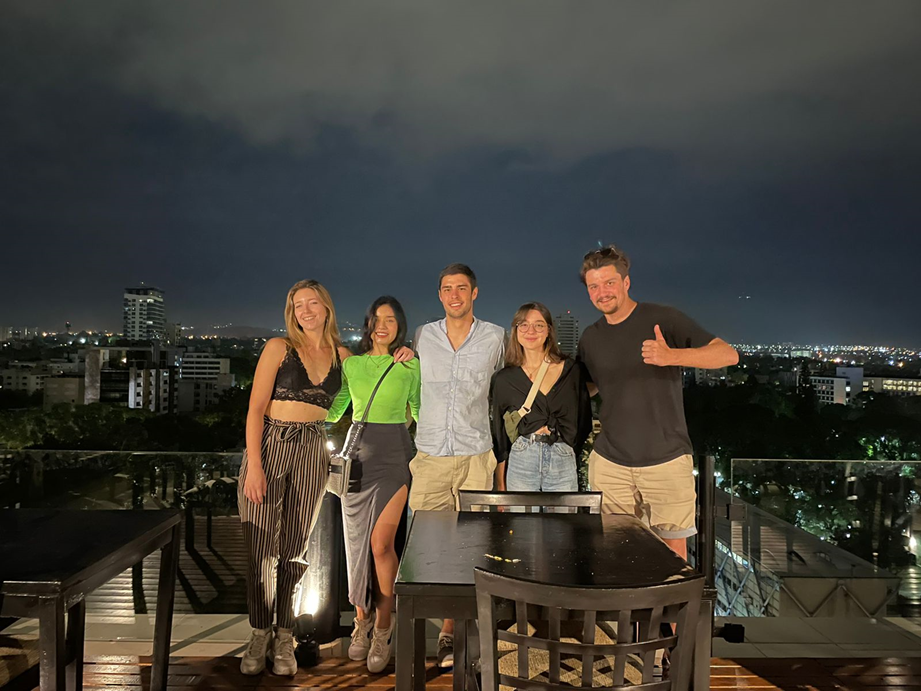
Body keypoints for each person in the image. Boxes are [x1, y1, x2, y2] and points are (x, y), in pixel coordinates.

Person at [237, 280, 411, 676]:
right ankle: (259, 632)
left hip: (314, 449)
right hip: (273, 442)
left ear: (327, 308)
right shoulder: (278, 349)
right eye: (298, 305)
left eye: (313, 302)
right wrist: (256, 465)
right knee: (261, 547)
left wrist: (405, 355)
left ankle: (284, 635)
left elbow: (367, 387)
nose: (306, 310)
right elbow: (255, 409)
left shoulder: (342, 357)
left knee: (295, 549)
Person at [576, 246, 738, 561]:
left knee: (672, 552)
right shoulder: (591, 337)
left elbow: (727, 354)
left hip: (665, 458)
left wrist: (672, 356)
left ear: (626, 282)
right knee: (617, 549)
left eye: (609, 283)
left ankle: (671, 612)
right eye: (593, 286)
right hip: (611, 462)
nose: (601, 292)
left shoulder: (661, 319)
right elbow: (589, 388)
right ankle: (628, 611)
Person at [409, 262, 505, 668]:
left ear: (475, 293)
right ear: (439, 294)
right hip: (430, 454)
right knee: (427, 548)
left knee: (472, 548)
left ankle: (455, 631)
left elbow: (510, 387)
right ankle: (433, 628)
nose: (454, 295)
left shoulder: (496, 337)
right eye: (447, 288)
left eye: (461, 288)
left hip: (476, 454)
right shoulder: (423, 336)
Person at [327, 296, 420, 674]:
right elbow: (337, 408)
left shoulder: (411, 365)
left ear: (400, 325)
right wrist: (296, 421)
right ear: (368, 324)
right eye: (377, 319)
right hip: (357, 459)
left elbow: (420, 411)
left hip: (395, 456)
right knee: (356, 548)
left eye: (391, 319)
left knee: (381, 545)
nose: (383, 325)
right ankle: (360, 621)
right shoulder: (352, 364)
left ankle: (384, 627)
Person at [490, 302, 591, 494]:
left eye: (539, 325)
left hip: (562, 456)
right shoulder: (505, 378)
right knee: (522, 523)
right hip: (521, 458)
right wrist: (500, 483)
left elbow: (583, 419)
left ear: (548, 331)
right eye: (524, 325)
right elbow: (499, 434)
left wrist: (569, 448)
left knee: (562, 523)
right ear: (516, 330)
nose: (531, 331)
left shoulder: (571, 370)